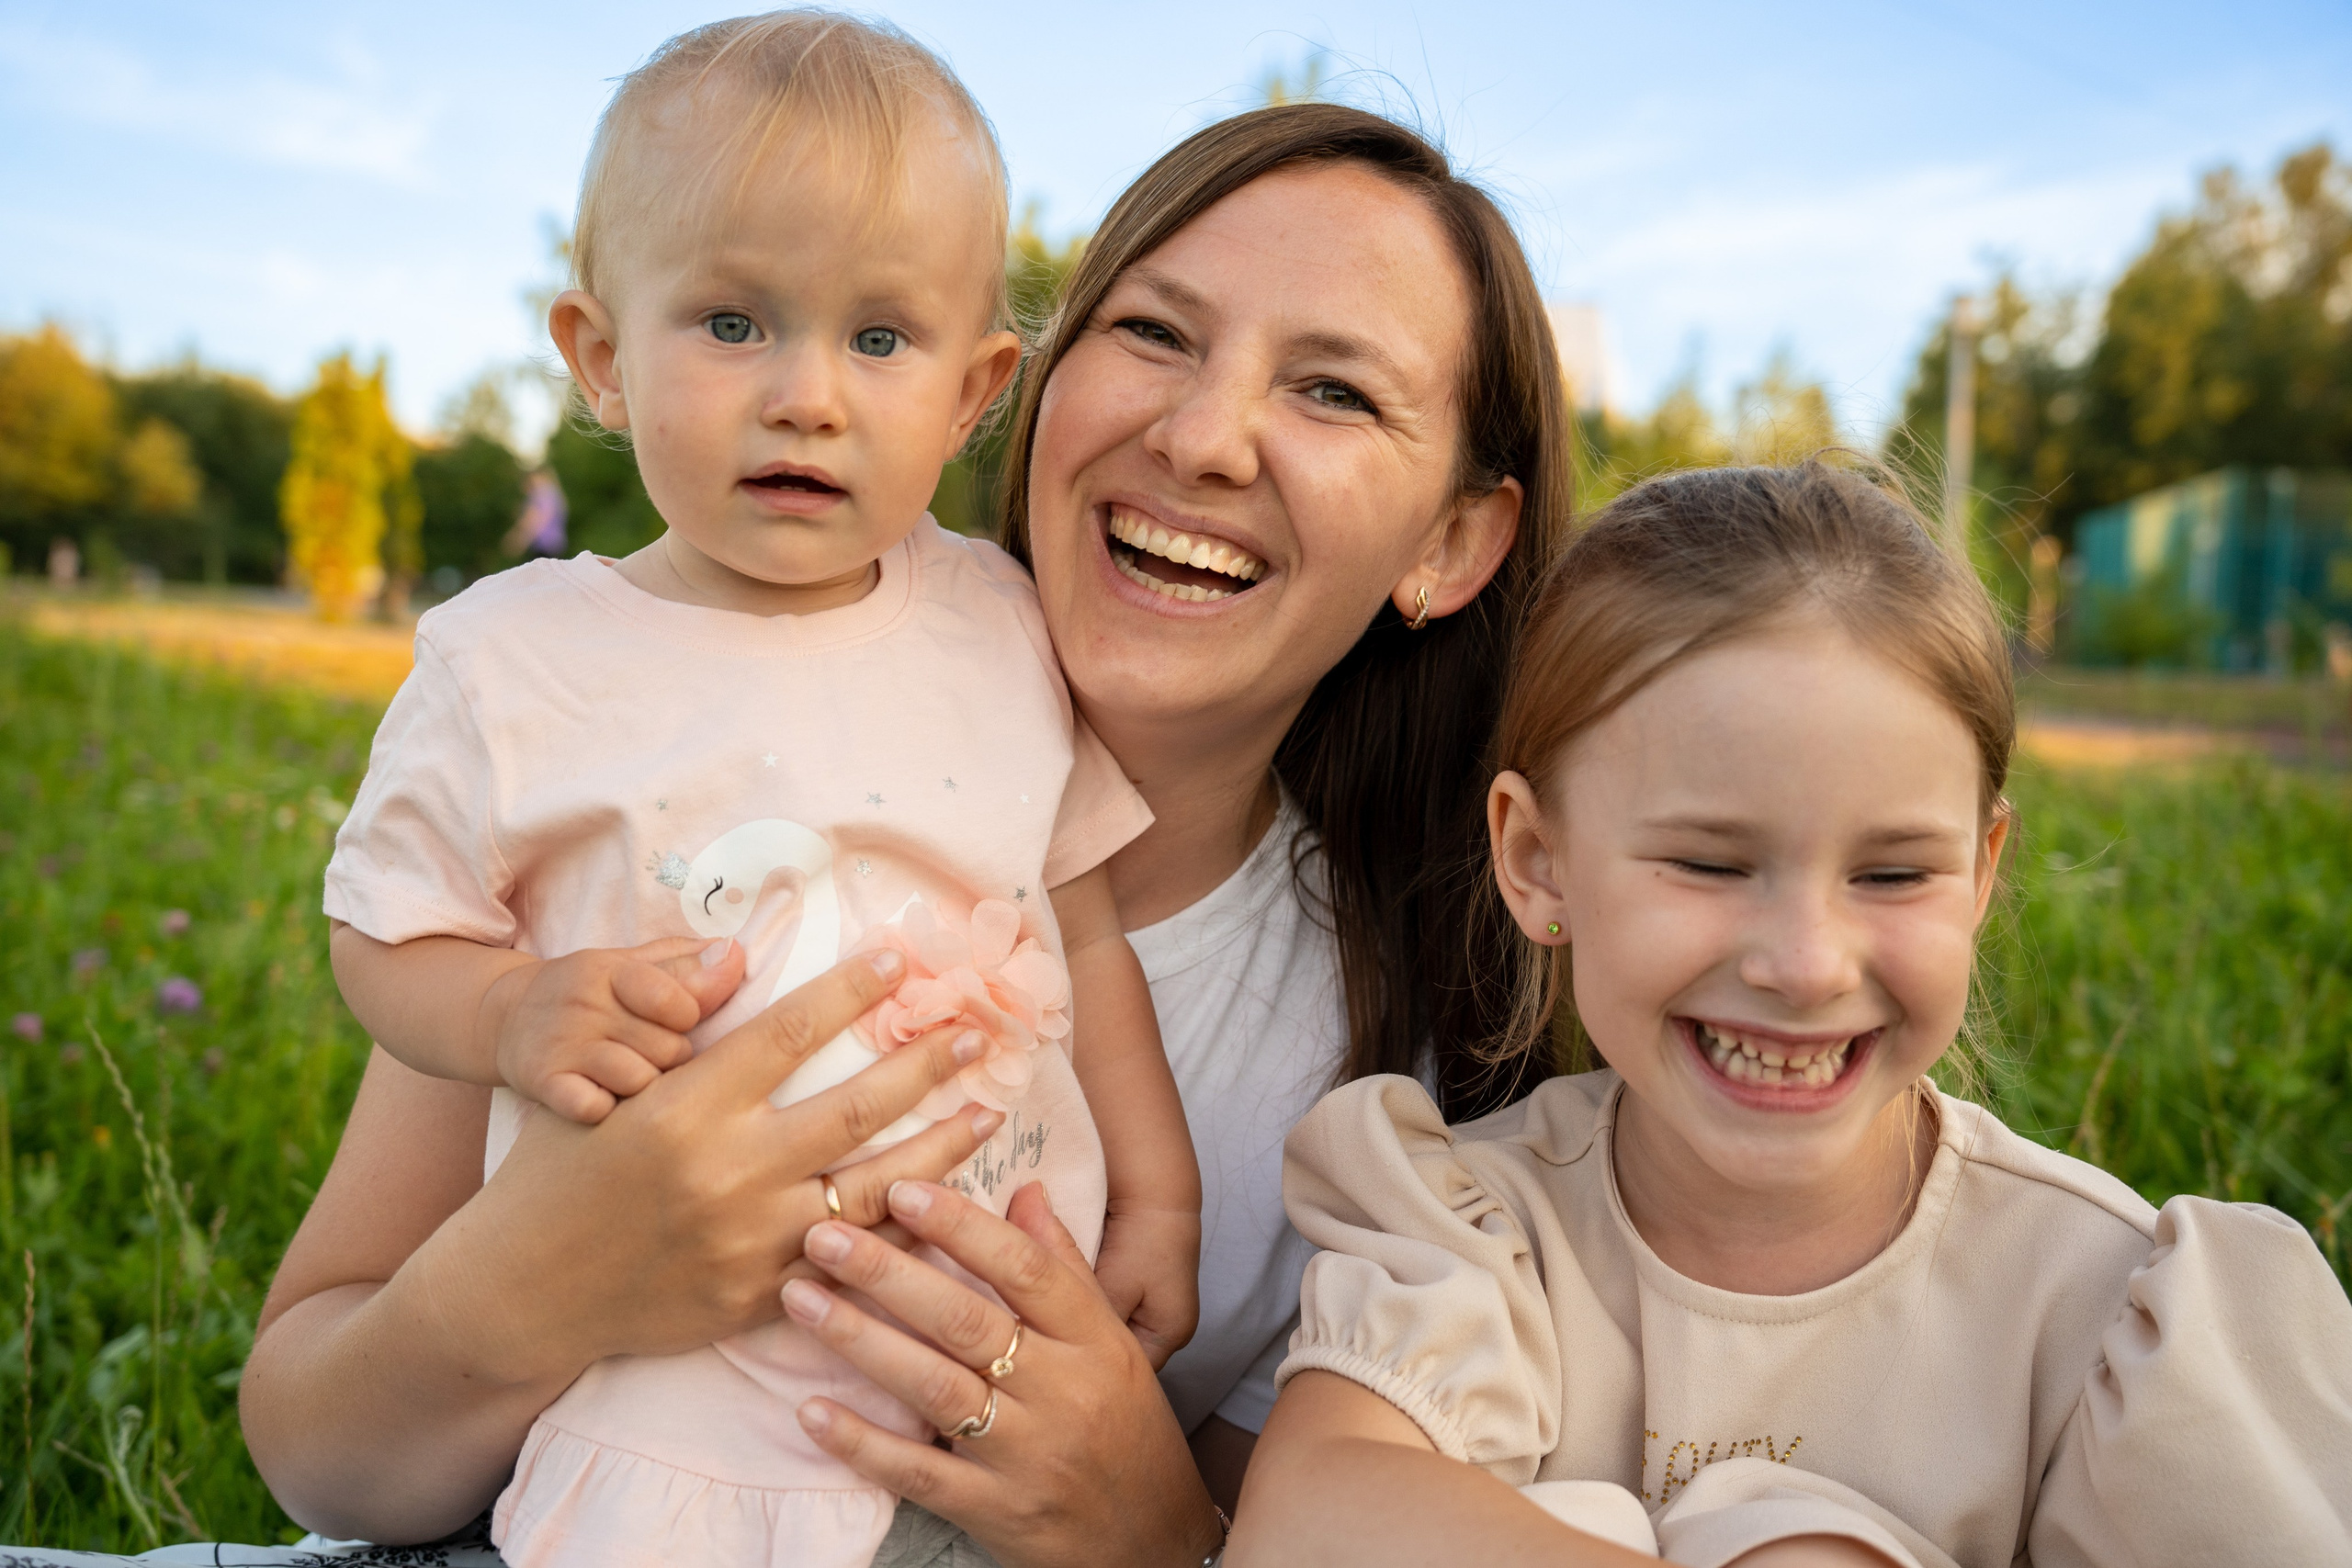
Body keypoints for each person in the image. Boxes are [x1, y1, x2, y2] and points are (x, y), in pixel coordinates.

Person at [221, 97, 1568, 1568]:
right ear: (1032, 385)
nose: (1202, 437)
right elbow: (316, 1447)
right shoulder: (661, 752)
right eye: (1155, 334)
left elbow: (1291, 1530)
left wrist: (1154, 1524)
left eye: (1334, 392)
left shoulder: (1392, 1060)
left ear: (1449, 544)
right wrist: (546, 1280)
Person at [321, 14, 1193, 1568]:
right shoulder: (513, 663)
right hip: (670, 1396)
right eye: (732, 323)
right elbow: (387, 931)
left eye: (879, 339)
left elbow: (1082, 925)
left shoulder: (994, 619)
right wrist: (503, 1014)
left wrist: (1159, 1206)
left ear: (974, 388)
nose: (807, 394)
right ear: (598, 352)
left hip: (980, 1360)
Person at [1230, 462, 2352, 1568]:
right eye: (1710, 863)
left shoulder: (2099, 1303)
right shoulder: (1478, 1230)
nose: (1807, 964)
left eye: (1893, 875)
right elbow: (1312, 1515)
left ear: (1979, 873)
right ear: (1537, 861)